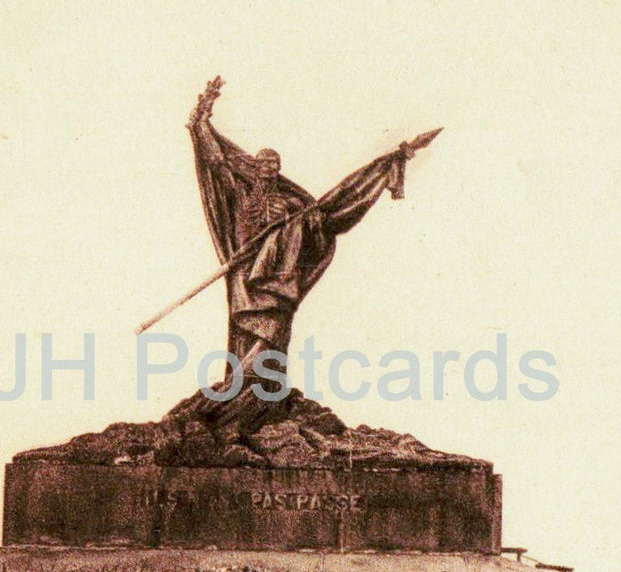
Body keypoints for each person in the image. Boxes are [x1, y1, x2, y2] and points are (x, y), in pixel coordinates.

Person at [179, 77, 432, 431]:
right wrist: (202, 120)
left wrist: (387, 165)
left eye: (274, 165)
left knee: (271, 340)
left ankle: (254, 406)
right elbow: (217, 161)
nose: (269, 169)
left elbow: (334, 208)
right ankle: (235, 404)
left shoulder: (291, 205)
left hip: (278, 284)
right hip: (244, 280)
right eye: (263, 164)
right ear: (253, 167)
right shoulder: (239, 193)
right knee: (244, 339)